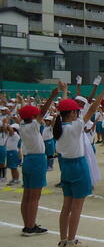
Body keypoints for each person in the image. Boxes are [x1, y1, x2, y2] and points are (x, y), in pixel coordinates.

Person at [54, 78, 104, 247]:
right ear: (72, 113)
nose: (78, 113)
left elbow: (64, 107)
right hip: (78, 165)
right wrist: (103, 90)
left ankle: (63, 240)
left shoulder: (58, 127)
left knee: (66, 206)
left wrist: (64, 92)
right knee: (77, 207)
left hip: (66, 166)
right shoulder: (76, 126)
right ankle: (71, 241)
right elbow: (92, 109)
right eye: (76, 111)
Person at [18, 87, 58, 236]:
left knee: (27, 195)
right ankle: (30, 227)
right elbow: (43, 111)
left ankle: (27, 225)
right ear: (33, 117)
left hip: (28, 160)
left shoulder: (22, 125)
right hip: (37, 160)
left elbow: (33, 113)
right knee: (35, 197)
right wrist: (52, 96)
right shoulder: (34, 125)